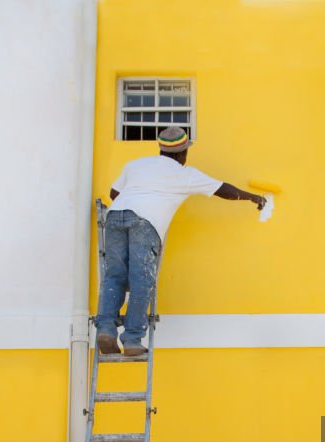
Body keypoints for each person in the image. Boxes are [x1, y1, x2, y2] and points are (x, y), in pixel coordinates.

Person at [94, 126, 265, 356]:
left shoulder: (136, 164)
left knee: (114, 275)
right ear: (182, 153)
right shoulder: (184, 174)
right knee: (141, 279)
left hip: (115, 217)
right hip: (145, 222)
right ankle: (133, 339)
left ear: (161, 149)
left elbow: (115, 193)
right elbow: (222, 189)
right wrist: (252, 197)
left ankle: (105, 329)